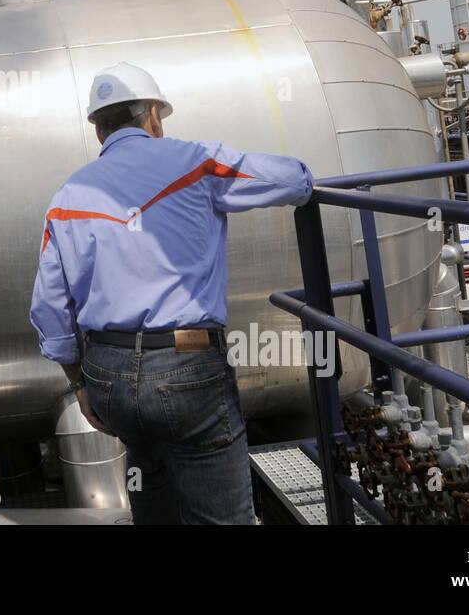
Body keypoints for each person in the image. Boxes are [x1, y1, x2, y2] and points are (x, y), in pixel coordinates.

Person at [29, 61, 313, 524]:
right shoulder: (196, 163)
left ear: (99, 132)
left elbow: (48, 307)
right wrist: (304, 175)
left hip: (109, 378)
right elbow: (293, 181)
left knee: (152, 488)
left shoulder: (66, 198)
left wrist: (79, 385)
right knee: (221, 516)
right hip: (187, 370)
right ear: (153, 118)